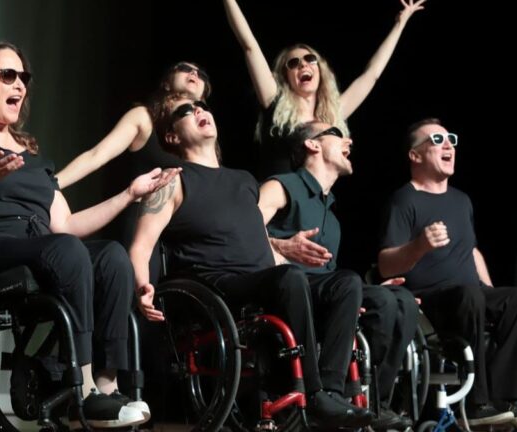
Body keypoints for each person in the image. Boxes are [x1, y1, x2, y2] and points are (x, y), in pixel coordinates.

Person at [0, 41, 179, 428]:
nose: (20, 84)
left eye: (24, 77)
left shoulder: (29, 154)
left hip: (33, 244)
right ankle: (82, 389)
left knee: (111, 256)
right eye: (8, 75)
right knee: (64, 250)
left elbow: (65, 225)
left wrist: (129, 195)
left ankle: (106, 387)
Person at [128, 96, 374, 428]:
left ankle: (331, 391)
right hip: (217, 284)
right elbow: (141, 246)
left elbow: (254, 240)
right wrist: (142, 286)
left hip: (261, 277)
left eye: (203, 106)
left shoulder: (243, 180)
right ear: (172, 135)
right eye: (186, 110)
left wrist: (284, 252)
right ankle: (313, 394)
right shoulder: (173, 181)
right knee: (289, 279)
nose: (200, 110)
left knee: (346, 283)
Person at [377, 118, 517, 428]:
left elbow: (471, 250)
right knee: (470, 296)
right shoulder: (404, 200)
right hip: (431, 301)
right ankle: (476, 403)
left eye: (450, 139)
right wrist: (420, 245)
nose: (448, 145)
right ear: (415, 155)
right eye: (437, 140)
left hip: (470, 296)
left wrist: (490, 290)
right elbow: (386, 263)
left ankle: (504, 400)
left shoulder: (461, 200)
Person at [258, 121, 418, 430]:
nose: (349, 142)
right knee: (346, 282)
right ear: (313, 145)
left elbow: (330, 277)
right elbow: (244, 229)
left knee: (397, 300)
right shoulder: (282, 185)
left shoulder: (330, 215)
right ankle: (328, 393)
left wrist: (370, 290)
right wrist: (279, 244)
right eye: (337, 135)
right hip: (286, 288)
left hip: (322, 290)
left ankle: (374, 402)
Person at [223, 0, 426, 179]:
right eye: (293, 63)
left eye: (310, 59)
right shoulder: (273, 102)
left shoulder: (331, 116)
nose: (303, 64)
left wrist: (400, 23)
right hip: (276, 206)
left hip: (314, 206)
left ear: (320, 70)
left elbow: (371, 74)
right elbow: (249, 46)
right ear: (286, 77)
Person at [55, 61, 211, 190]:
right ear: (167, 84)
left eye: (201, 74)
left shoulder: (208, 131)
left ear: (203, 95)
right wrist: (50, 185)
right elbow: (97, 155)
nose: (194, 73)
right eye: (184, 68)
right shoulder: (143, 117)